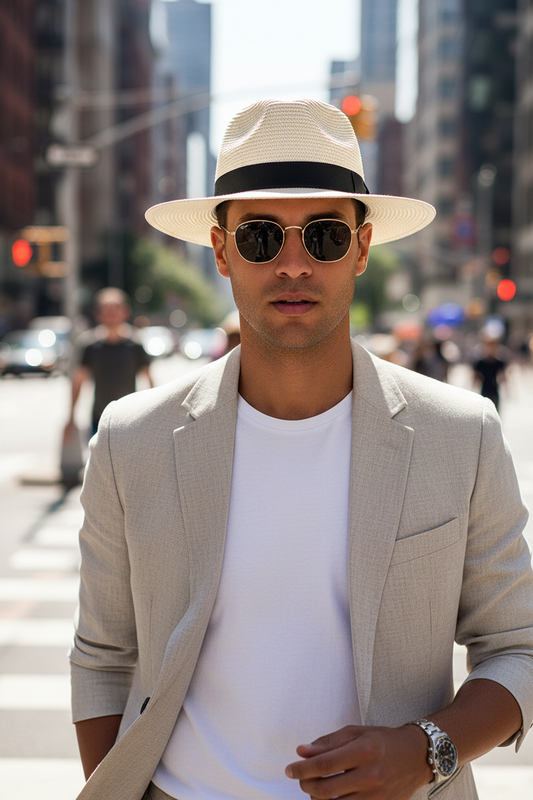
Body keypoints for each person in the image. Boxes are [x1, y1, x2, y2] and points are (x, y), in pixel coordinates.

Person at [70, 100, 533, 800]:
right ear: (221, 251)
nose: (292, 265)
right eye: (259, 237)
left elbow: (517, 645)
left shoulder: (459, 433)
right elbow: (103, 657)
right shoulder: (130, 439)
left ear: (361, 248)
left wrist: (426, 751)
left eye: (322, 236)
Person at [65, 287, 153, 437]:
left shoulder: (135, 344)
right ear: (98, 313)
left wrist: (155, 414)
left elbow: (149, 380)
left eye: (115, 308)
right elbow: (79, 381)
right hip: (99, 420)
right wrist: (71, 418)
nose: (111, 313)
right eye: (106, 308)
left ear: (125, 311)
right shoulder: (90, 346)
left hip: (131, 419)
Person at [473, 337, 507, 410]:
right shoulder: (480, 363)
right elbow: (476, 377)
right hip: (484, 391)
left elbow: (503, 377)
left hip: (494, 391)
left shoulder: (499, 363)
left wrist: (507, 389)